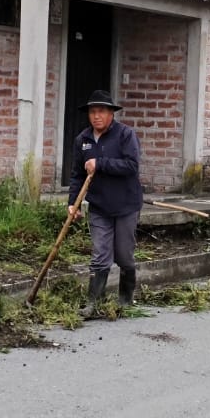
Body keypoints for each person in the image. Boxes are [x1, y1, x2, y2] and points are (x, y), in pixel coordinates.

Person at [67, 88, 143, 314]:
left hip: (126, 205)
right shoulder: (83, 140)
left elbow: (131, 166)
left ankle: (125, 299)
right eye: (92, 112)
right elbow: (77, 175)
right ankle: (93, 304)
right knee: (100, 253)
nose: (96, 116)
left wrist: (100, 163)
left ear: (111, 114)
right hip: (99, 206)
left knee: (124, 255)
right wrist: (74, 203)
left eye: (101, 111)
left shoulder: (125, 135)